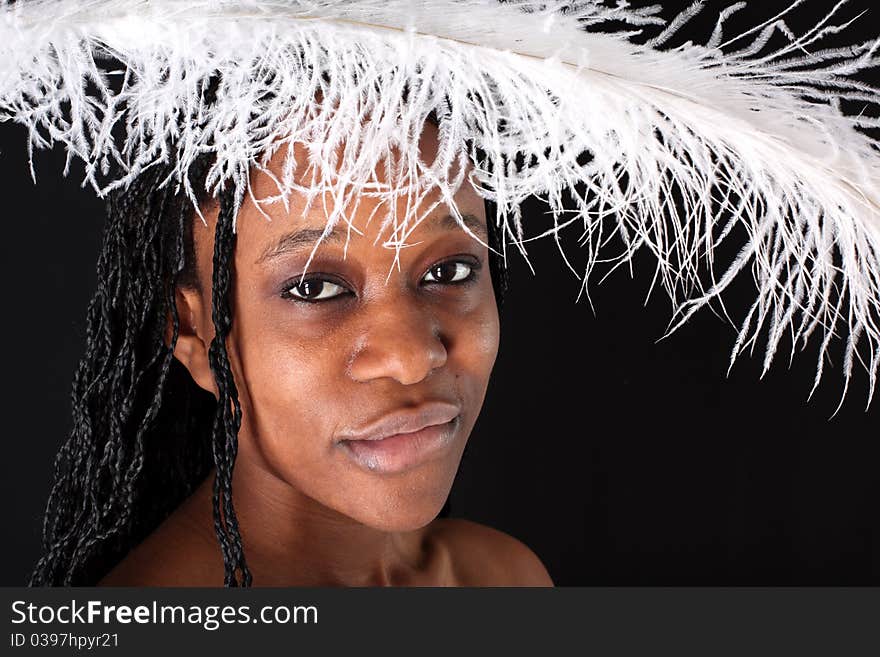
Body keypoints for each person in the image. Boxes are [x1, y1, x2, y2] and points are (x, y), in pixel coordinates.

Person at [29, 100, 553, 586]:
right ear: (193, 332)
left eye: (450, 270)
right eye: (314, 288)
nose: (412, 358)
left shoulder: (503, 578)